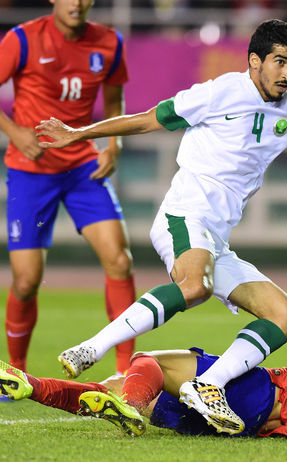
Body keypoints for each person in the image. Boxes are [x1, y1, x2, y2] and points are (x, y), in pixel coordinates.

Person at [35, 19, 287, 434]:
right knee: (194, 286)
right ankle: (92, 348)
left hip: (218, 238)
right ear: (255, 61)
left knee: (286, 318)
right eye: (280, 62)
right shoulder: (218, 93)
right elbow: (146, 120)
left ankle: (207, 385)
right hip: (185, 214)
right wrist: (77, 134)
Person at [0, 295, 287, 439]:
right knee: (115, 385)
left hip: (252, 392)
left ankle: (129, 407)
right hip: (247, 425)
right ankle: (31, 385)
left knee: (147, 362)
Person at [0, 0, 135, 374]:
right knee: (26, 280)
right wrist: (15, 132)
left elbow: (114, 100)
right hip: (30, 171)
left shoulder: (109, 42)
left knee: (120, 260)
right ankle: (15, 370)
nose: (76, 3)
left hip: (82, 169)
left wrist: (114, 145)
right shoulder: (22, 39)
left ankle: (125, 372)